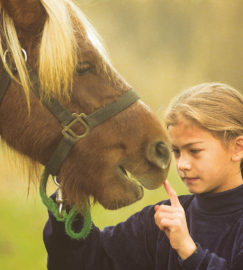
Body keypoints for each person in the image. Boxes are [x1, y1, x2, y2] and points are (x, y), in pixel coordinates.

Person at [43, 82, 243, 270]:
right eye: (177, 151)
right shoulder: (160, 221)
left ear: (237, 148)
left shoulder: (177, 230)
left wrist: (189, 251)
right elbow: (90, 261)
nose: (182, 164)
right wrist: (70, 198)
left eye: (195, 151)